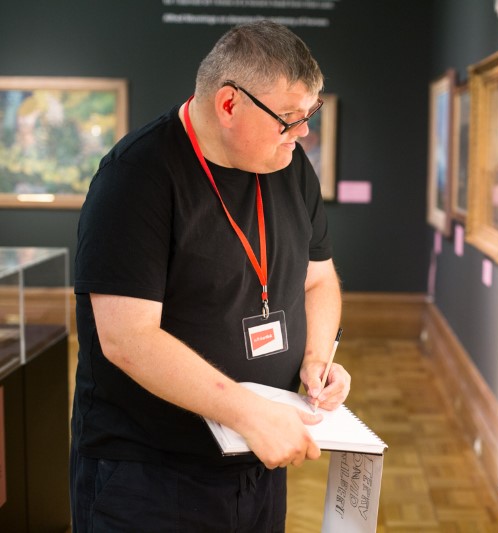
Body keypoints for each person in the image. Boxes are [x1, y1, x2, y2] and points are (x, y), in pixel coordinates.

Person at [69, 20, 349, 532]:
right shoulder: (136, 178)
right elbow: (127, 338)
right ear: (228, 105)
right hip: (148, 475)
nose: (304, 132)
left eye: (311, 114)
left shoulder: (290, 166)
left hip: (256, 463)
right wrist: (248, 413)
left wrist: (315, 360)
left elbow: (319, 280)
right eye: (289, 117)